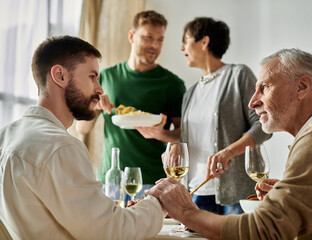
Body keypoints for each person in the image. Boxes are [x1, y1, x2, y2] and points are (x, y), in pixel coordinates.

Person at [146, 48, 312, 239]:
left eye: (264, 87)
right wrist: (289, 195)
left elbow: (265, 230)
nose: (252, 102)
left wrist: (186, 211)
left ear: (302, 86)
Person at [0, 35, 166, 239]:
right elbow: (111, 231)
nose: (100, 89)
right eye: (92, 77)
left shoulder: (5, 136)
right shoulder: (61, 147)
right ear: (59, 75)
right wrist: (160, 202)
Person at [76, 10, 186, 200]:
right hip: (112, 179)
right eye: (148, 37)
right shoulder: (106, 76)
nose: (154, 45)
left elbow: (183, 133)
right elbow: (82, 128)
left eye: (160, 40)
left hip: (153, 181)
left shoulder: (172, 84)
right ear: (131, 36)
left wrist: (162, 134)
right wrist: (94, 107)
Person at [180, 17, 270, 214]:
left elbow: (263, 126)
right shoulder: (190, 93)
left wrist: (229, 151)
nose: (181, 48)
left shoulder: (239, 75)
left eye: (185, 40)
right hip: (197, 192)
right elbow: (190, 139)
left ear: (204, 42)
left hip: (235, 194)